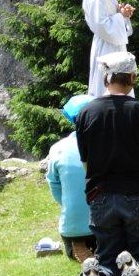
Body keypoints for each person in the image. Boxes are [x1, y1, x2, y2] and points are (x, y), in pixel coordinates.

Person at [75, 51, 139, 276]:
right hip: (138, 192)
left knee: (107, 256)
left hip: (100, 194)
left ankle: (100, 274)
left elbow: (86, 162)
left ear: (106, 78)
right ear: (132, 77)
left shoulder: (86, 112)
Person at [46, 94, 96, 263]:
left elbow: (55, 187)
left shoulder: (58, 148)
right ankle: (101, 250)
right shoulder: (108, 145)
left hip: (72, 227)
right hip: (106, 223)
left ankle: (79, 247)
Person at [82, 0, 135, 97]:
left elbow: (110, 19)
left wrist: (122, 14)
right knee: (105, 87)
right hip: (105, 47)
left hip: (114, 45)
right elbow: (100, 25)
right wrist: (120, 16)